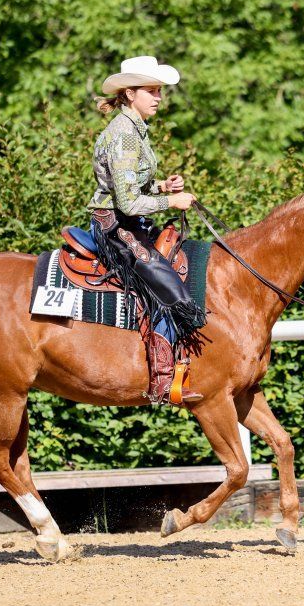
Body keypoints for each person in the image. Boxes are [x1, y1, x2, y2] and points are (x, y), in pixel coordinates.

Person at [88, 55, 207, 405]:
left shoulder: (135, 129)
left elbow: (128, 185)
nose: (158, 97)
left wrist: (161, 187)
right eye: (151, 91)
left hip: (126, 220)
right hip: (116, 225)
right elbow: (126, 203)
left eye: (159, 91)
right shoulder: (125, 135)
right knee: (168, 288)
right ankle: (163, 380)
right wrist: (172, 201)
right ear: (129, 94)